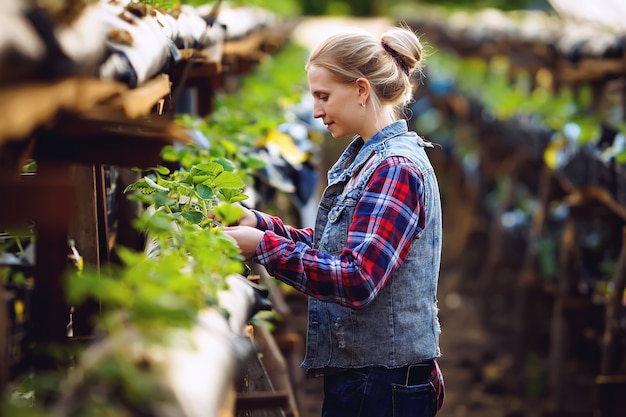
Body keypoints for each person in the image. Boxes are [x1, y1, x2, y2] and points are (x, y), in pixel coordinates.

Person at [221, 24, 445, 417]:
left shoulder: (395, 168)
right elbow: (335, 244)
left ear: (361, 90)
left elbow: (357, 278)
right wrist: (256, 222)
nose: (316, 111)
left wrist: (261, 246)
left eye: (323, 96)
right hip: (370, 378)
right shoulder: (371, 158)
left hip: (381, 387)